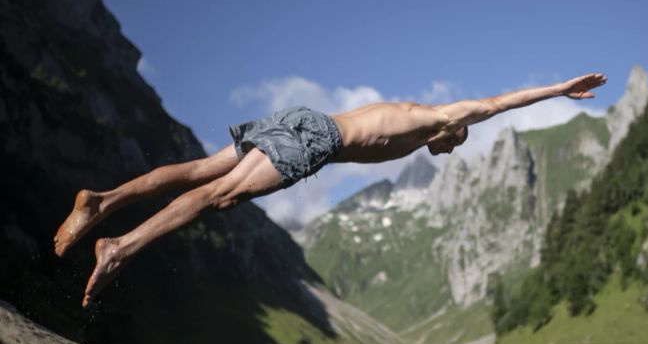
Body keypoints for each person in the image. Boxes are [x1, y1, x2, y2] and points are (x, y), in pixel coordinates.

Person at [54, 73, 607, 307]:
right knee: (221, 195)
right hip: (318, 137)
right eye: (458, 143)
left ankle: (103, 203)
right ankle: (120, 247)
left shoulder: (410, 116)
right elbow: (500, 102)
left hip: (302, 118)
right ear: (455, 128)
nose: (454, 149)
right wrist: (561, 90)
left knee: (198, 170)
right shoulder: (443, 117)